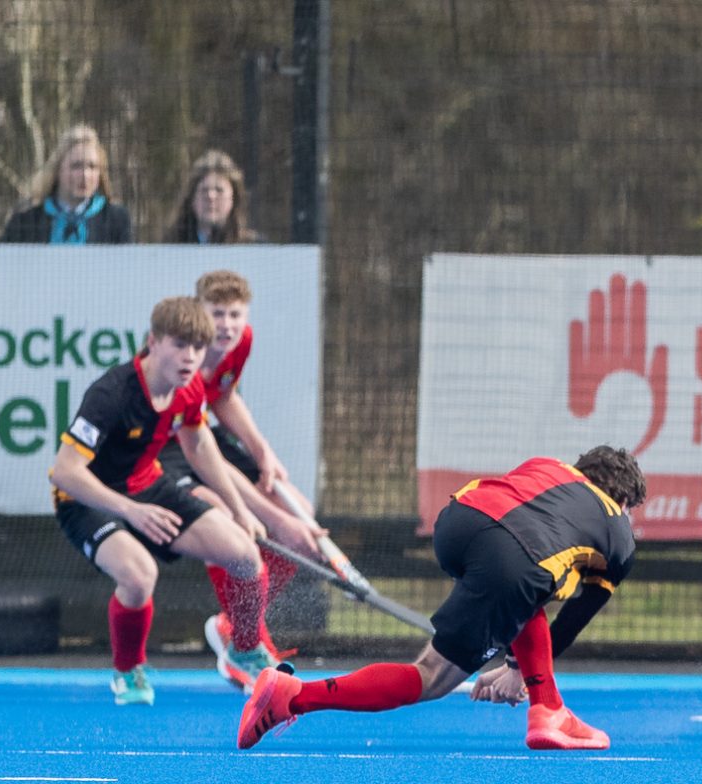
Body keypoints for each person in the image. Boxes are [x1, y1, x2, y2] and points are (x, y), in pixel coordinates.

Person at [237, 446, 646, 751]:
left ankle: (547, 707)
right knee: (431, 677)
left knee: (530, 588)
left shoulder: (549, 467)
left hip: (457, 522)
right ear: (624, 502)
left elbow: (521, 576)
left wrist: (514, 661)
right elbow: (573, 616)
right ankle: (294, 697)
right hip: (516, 558)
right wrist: (518, 671)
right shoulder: (619, 532)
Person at [48, 297, 273, 706]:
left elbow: (200, 445)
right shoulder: (111, 394)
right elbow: (64, 472)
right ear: (152, 342)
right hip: (86, 498)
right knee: (138, 575)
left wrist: (240, 510)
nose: (190, 358)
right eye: (180, 345)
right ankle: (127, 671)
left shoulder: (188, 389)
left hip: (148, 487)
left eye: (198, 349)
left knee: (245, 555)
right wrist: (131, 511)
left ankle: (244, 649)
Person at [156, 270, 324, 689]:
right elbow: (203, 454)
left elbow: (224, 396)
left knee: (301, 512)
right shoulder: (184, 360)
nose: (228, 325)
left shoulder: (241, 340)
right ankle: (248, 646)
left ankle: (236, 626)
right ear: (199, 314)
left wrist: (262, 450)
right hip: (165, 445)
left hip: (199, 434)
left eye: (235, 314)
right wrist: (273, 519)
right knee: (237, 525)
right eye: (217, 314)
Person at [0, 124, 132, 244]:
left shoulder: (115, 220)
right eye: (76, 166)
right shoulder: (26, 221)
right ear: (58, 170)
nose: (85, 175)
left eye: (92, 167)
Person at [164, 151, 258, 244]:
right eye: (204, 190)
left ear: (234, 198)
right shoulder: (172, 245)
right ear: (192, 198)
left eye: (219, 190)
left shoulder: (253, 247)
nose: (211, 197)